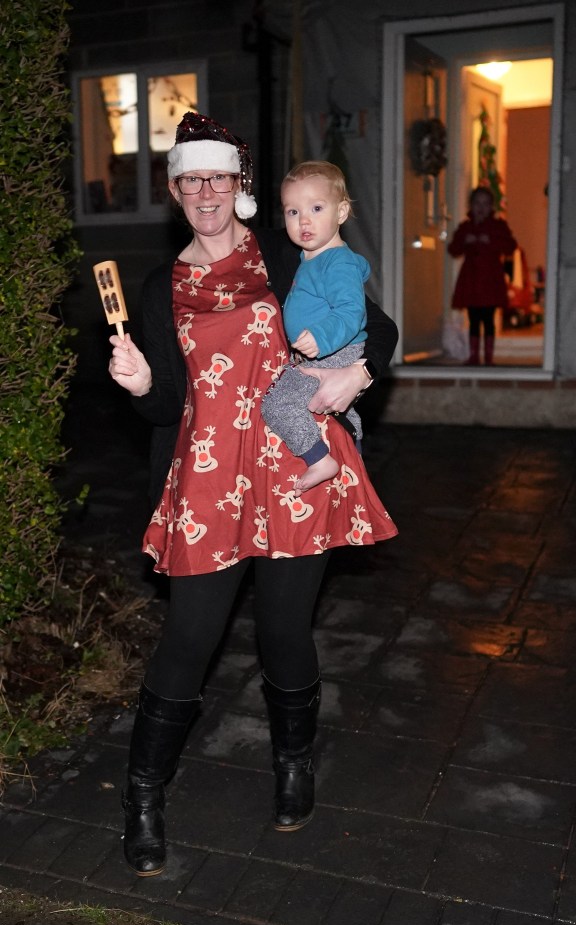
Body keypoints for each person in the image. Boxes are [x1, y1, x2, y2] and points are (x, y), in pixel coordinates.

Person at [107, 111, 398, 878]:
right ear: (175, 190)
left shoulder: (283, 248)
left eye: (219, 177)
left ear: (238, 185)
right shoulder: (156, 284)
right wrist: (140, 386)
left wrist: (355, 375)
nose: (206, 191)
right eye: (191, 179)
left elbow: (376, 325)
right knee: (189, 639)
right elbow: (167, 399)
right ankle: (142, 794)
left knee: (284, 632)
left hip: (294, 471)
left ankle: (295, 763)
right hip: (207, 479)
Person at [261, 161, 369, 493]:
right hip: (321, 353)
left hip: (334, 350)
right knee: (330, 408)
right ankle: (353, 439)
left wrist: (320, 337)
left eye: (316, 208)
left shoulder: (336, 261)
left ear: (341, 212)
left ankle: (319, 459)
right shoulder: (311, 258)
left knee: (277, 404)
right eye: (292, 212)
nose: (303, 220)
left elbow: (352, 312)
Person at [448, 185, 517, 366]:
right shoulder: (466, 227)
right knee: (474, 319)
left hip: (491, 280)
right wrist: (465, 241)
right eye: (477, 203)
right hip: (471, 280)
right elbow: (453, 249)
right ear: (471, 205)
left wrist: (492, 241)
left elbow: (510, 246)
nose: (481, 207)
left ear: (492, 206)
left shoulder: (498, 226)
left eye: (485, 203)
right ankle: (473, 356)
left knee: (488, 319)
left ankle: (488, 358)